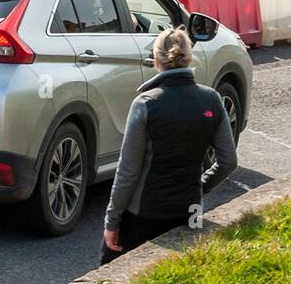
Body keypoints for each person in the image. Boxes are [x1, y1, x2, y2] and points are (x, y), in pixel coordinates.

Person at [101, 26, 238, 265]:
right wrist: (200, 187)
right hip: (191, 211)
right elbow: (228, 161)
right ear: (189, 58)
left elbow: (128, 172)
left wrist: (112, 222)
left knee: (109, 276)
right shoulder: (212, 99)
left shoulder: (146, 103)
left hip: (145, 213)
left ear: (156, 60)